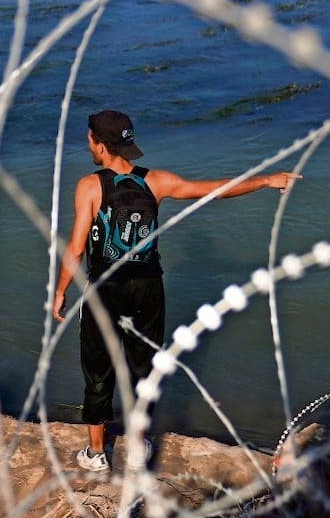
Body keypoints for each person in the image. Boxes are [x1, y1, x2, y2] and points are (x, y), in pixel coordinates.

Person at [51, 109, 299, 473]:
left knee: (98, 367)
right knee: (144, 367)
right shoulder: (157, 181)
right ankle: (136, 447)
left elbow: (75, 249)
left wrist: (60, 291)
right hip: (148, 287)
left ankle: (95, 453)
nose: (88, 144)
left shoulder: (89, 186)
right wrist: (266, 180)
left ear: (100, 146)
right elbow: (215, 191)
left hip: (105, 288)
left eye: (90, 138)